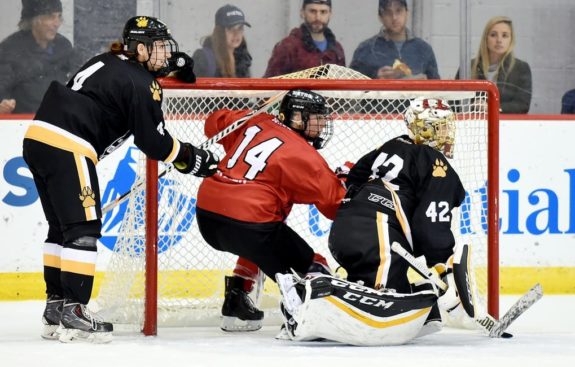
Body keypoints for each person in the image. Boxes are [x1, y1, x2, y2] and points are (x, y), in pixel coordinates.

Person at [22, 15, 218, 343]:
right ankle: (74, 311)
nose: (164, 54)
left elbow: (129, 80)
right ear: (139, 49)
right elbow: (153, 142)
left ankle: (56, 306)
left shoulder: (108, 59)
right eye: (157, 48)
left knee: (62, 229)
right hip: (70, 144)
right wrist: (191, 158)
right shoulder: (142, 84)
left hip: (38, 137)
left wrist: (174, 65)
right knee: (83, 230)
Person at [275, 98, 479, 345]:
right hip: (379, 231)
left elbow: (356, 174)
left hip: (346, 225)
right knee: (382, 298)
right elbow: (430, 227)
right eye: (442, 126)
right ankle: (303, 292)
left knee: (405, 300)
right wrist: (441, 267)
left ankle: (320, 306)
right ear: (426, 129)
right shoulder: (437, 164)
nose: (448, 133)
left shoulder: (391, 145)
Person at [195, 89, 346, 332]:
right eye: (316, 117)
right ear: (297, 118)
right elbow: (334, 205)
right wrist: (346, 183)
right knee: (314, 265)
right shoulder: (304, 154)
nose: (321, 124)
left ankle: (236, 301)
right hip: (250, 224)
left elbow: (213, 122)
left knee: (266, 238)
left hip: (208, 217)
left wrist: (248, 115)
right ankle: (308, 317)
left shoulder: (254, 121)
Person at [0, 0, 81, 114]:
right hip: (24, 123)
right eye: (50, 17)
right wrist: (3, 104)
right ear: (34, 21)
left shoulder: (64, 46)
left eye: (59, 16)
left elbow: (77, 79)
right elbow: (2, 88)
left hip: (59, 120)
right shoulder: (10, 49)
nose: (57, 23)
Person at [456, 16, 532, 114]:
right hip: (472, 125)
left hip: (507, 125)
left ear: (511, 40)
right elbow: (455, 102)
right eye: (493, 35)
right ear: (486, 39)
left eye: (505, 35)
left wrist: (492, 108)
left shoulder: (521, 68)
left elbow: (523, 105)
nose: (499, 40)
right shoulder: (469, 67)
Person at [349, 0, 439, 80]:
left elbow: (437, 92)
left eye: (399, 11)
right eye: (388, 12)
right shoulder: (365, 49)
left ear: (407, 13)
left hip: (415, 99)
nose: (394, 17)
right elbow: (350, 93)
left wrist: (423, 82)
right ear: (380, 17)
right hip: (378, 99)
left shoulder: (424, 49)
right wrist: (376, 80)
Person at [263, 0, 345, 77]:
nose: (318, 17)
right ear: (302, 13)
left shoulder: (337, 49)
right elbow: (270, 84)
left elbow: (343, 86)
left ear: (330, 14)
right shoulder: (288, 47)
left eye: (323, 12)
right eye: (312, 11)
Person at [192, 4, 252, 78]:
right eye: (230, 29)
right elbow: (191, 88)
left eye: (240, 28)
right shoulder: (203, 58)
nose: (236, 34)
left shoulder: (243, 58)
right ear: (219, 32)